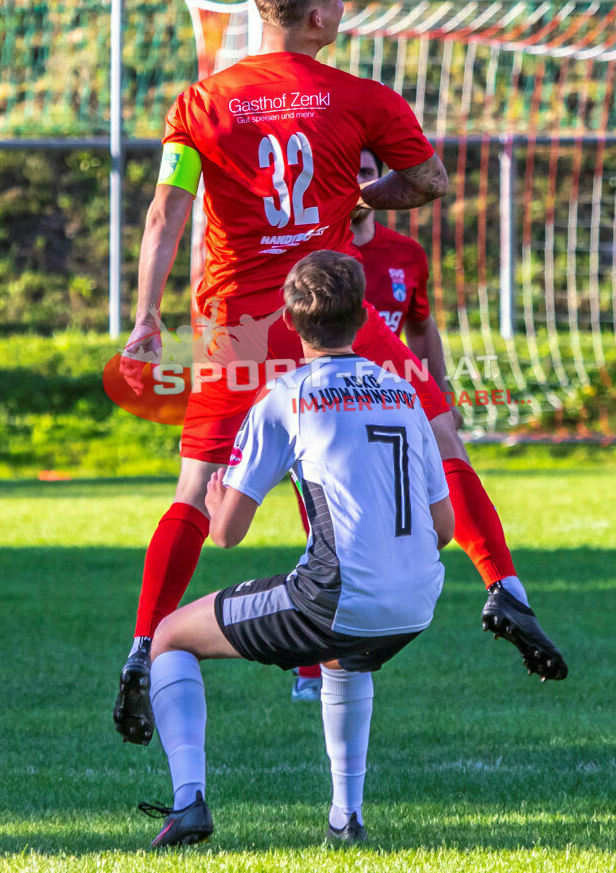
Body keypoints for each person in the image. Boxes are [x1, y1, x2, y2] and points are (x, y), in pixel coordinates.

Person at [113, 0, 566, 748]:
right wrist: (363, 192)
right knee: (438, 433)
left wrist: (147, 314)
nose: (347, 9)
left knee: (195, 495)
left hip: (236, 327)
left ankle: (145, 644)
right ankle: (505, 586)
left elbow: (164, 214)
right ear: (319, 15)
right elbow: (428, 183)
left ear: (260, 11)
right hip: (335, 316)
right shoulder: (362, 98)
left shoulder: (201, 103)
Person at [139, 250, 456, 847]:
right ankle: (346, 817)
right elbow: (443, 529)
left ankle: (188, 804)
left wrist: (213, 494)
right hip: (417, 603)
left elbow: (228, 533)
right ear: (364, 316)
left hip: (338, 599)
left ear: (288, 321)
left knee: (169, 638)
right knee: (345, 653)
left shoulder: (286, 396)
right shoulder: (402, 391)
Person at [288, 149, 566, 702]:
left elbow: (420, 326)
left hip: (388, 385)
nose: (360, 180)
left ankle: (498, 586)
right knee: (328, 509)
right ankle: (320, 657)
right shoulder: (312, 256)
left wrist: (438, 389)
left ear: (381, 183)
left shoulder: (407, 255)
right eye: (352, 170)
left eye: (369, 171)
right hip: (333, 387)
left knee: (442, 451)